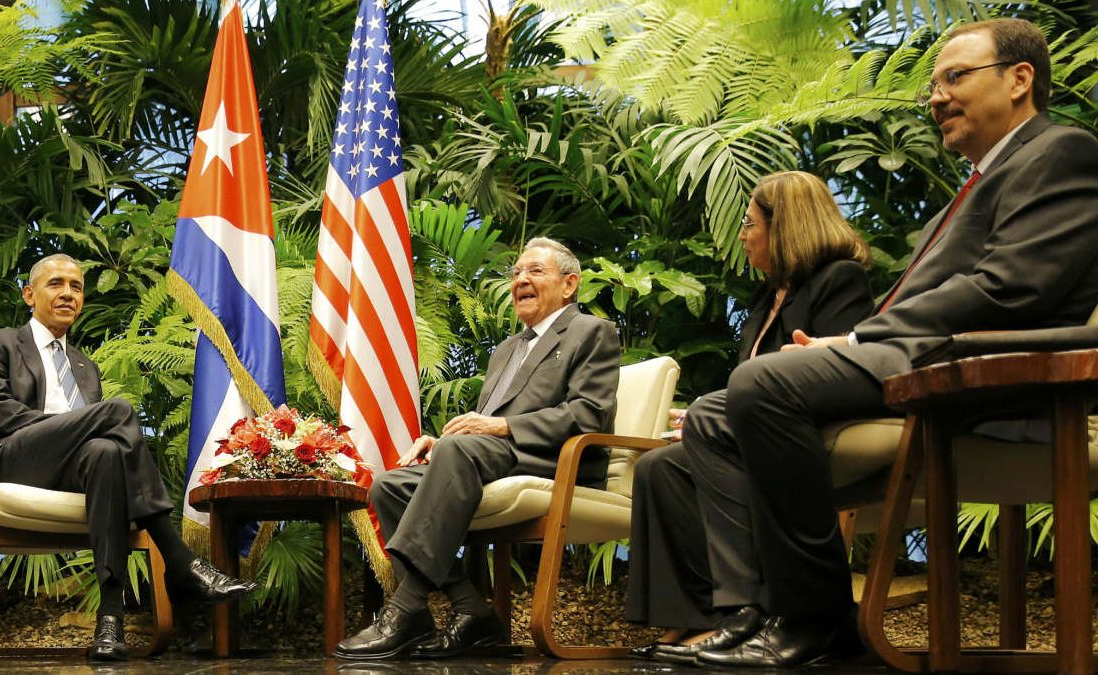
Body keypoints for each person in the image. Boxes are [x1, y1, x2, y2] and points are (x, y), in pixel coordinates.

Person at [657, 18, 1098, 668]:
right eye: (933, 85)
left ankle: (818, 622)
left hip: (989, 363)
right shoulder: (975, 185)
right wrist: (846, 342)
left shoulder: (1059, 152)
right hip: (925, 355)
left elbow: (1011, 287)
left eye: (955, 77)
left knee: (761, 382)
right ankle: (753, 612)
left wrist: (857, 336)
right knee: (717, 412)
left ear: (1019, 79)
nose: (937, 97)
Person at [0, 253, 258, 661]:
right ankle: (179, 560)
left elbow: (92, 440)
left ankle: (110, 618)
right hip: (5, 460)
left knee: (104, 453)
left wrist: (76, 430)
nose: (68, 293)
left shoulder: (85, 366)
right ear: (29, 294)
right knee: (117, 413)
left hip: (66, 469)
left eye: (77, 286)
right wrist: (63, 427)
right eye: (56, 284)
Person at [334, 237, 620, 660]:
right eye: (516, 273)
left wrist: (501, 426)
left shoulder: (590, 331)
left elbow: (589, 413)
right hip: (494, 455)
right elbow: (483, 425)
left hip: (557, 458)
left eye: (536, 271)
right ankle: (472, 611)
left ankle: (407, 608)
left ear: (569, 284)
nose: (521, 279)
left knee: (456, 453)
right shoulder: (505, 349)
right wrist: (444, 438)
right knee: (389, 486)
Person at [628, 171, 873, 659]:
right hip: (754, 424)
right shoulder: (762, 300)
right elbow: (747, 383)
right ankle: (700, 617)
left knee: (703, 426)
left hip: (802, 429)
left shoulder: (839, 279)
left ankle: (747, 609)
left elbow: (838, 374)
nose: (742, 235)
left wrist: (713, 417)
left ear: (785, 227)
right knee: (659, 467)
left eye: (749, 223)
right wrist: (699, 420)